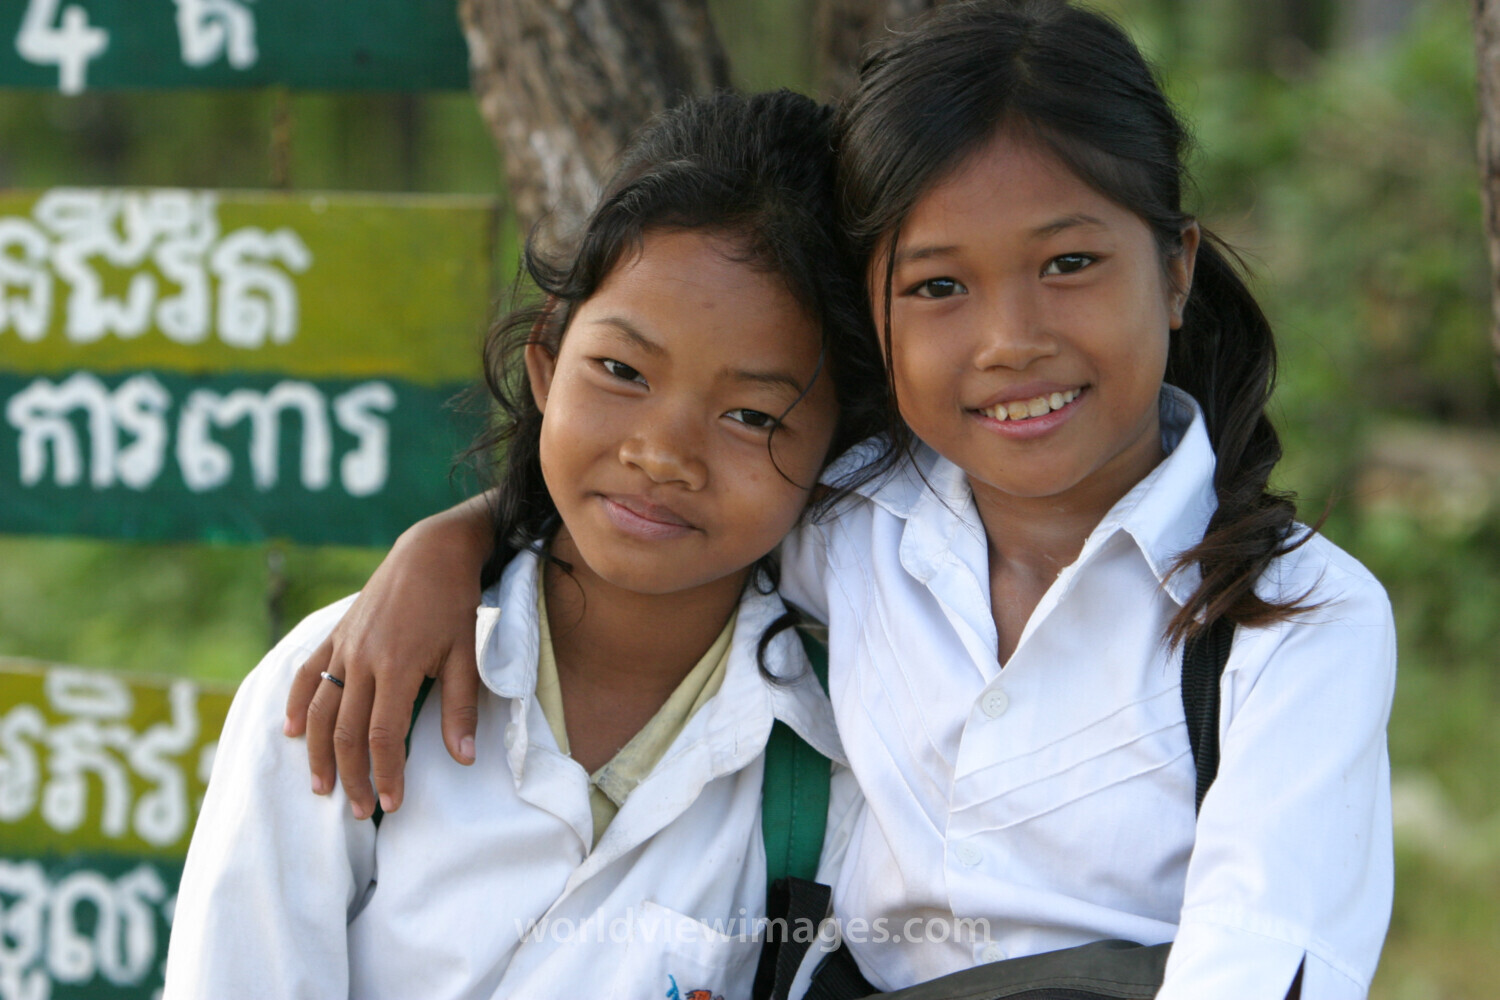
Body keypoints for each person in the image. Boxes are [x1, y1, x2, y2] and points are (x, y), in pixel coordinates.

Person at [285, 3, 1397, 997]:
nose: (1010, 340)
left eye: (1068, 264)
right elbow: (662, 506)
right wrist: (456, 542)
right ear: (879, 322)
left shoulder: (1292, 619)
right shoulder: (854, 517)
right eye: (939, 287)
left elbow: (1266, 948)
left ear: (1177, 267)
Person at [163, 89, 896, 1000]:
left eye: (753, 415)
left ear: (839, 453)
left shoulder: (843, 767)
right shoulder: (345, 694)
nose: (661, 454)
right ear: (545, 360)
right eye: (622, 371)